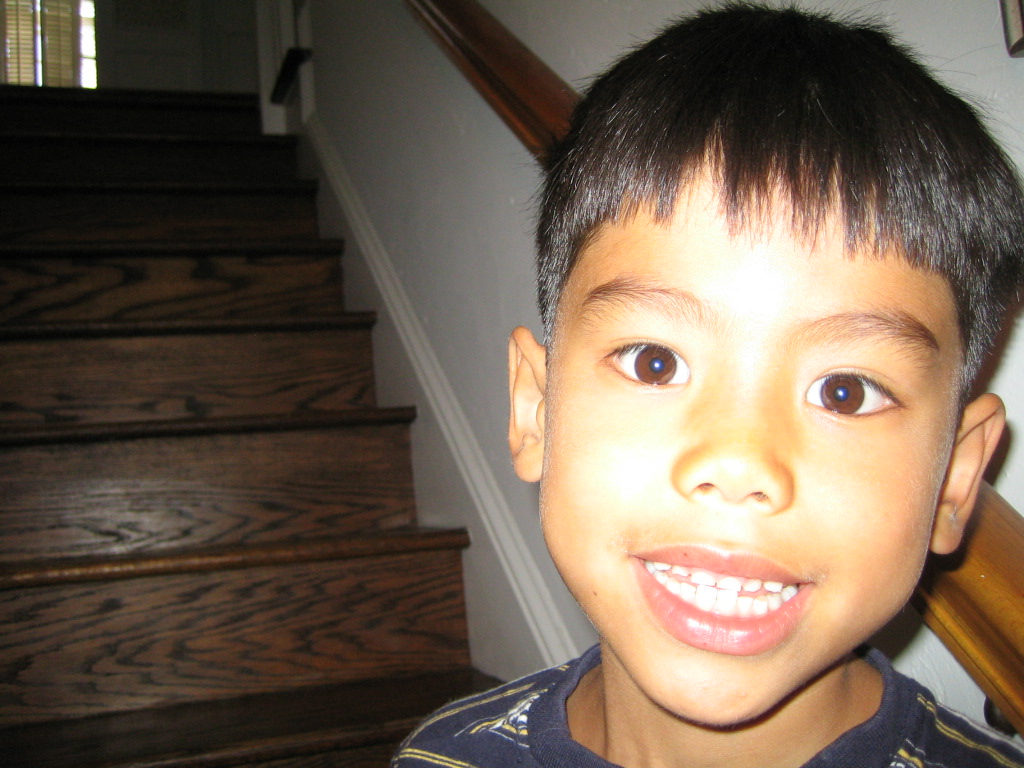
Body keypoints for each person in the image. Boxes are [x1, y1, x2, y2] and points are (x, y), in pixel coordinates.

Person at [392, 3, 1024, 767]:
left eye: (845, 392)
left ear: (956, 481)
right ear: (535, 410)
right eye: (654, 362)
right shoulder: (438, 758)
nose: (738, 464)